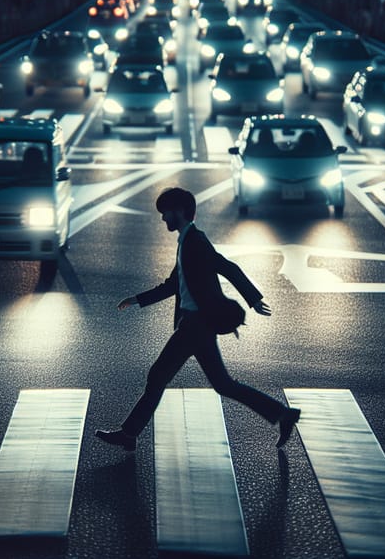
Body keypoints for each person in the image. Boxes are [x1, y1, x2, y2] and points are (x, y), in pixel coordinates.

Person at [95, 187, 301, 452]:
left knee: (158, 376)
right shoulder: (186, 241)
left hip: (196, 325)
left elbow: (227, 267)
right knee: (221, 384)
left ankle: (129, 434)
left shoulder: (196, 242)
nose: (163, 219)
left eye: (165, 213)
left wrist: (253, 298)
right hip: (194, 325)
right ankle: (283, 414)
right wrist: (137, 299)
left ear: (179, 212)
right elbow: (173, 285)